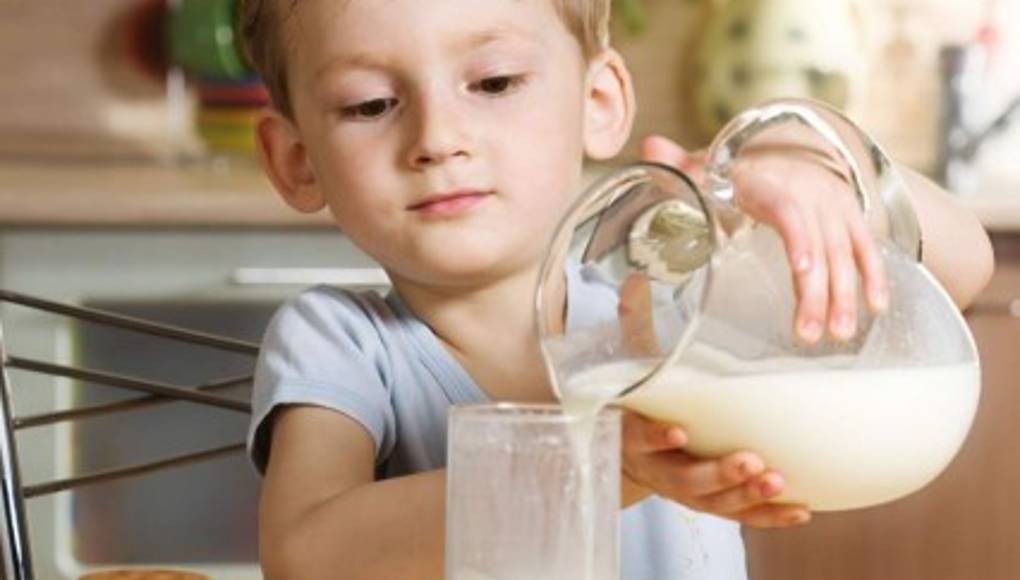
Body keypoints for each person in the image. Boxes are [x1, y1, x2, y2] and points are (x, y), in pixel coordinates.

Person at [237, 0, 994, 578]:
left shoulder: (670, 286)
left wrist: (821, 170)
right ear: (296, 160)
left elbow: (964, 266)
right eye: (371, 104)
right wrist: (605, 465)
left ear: (598, 103)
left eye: (494, 82)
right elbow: (306, 554)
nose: (437, 139)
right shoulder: (341, 343)